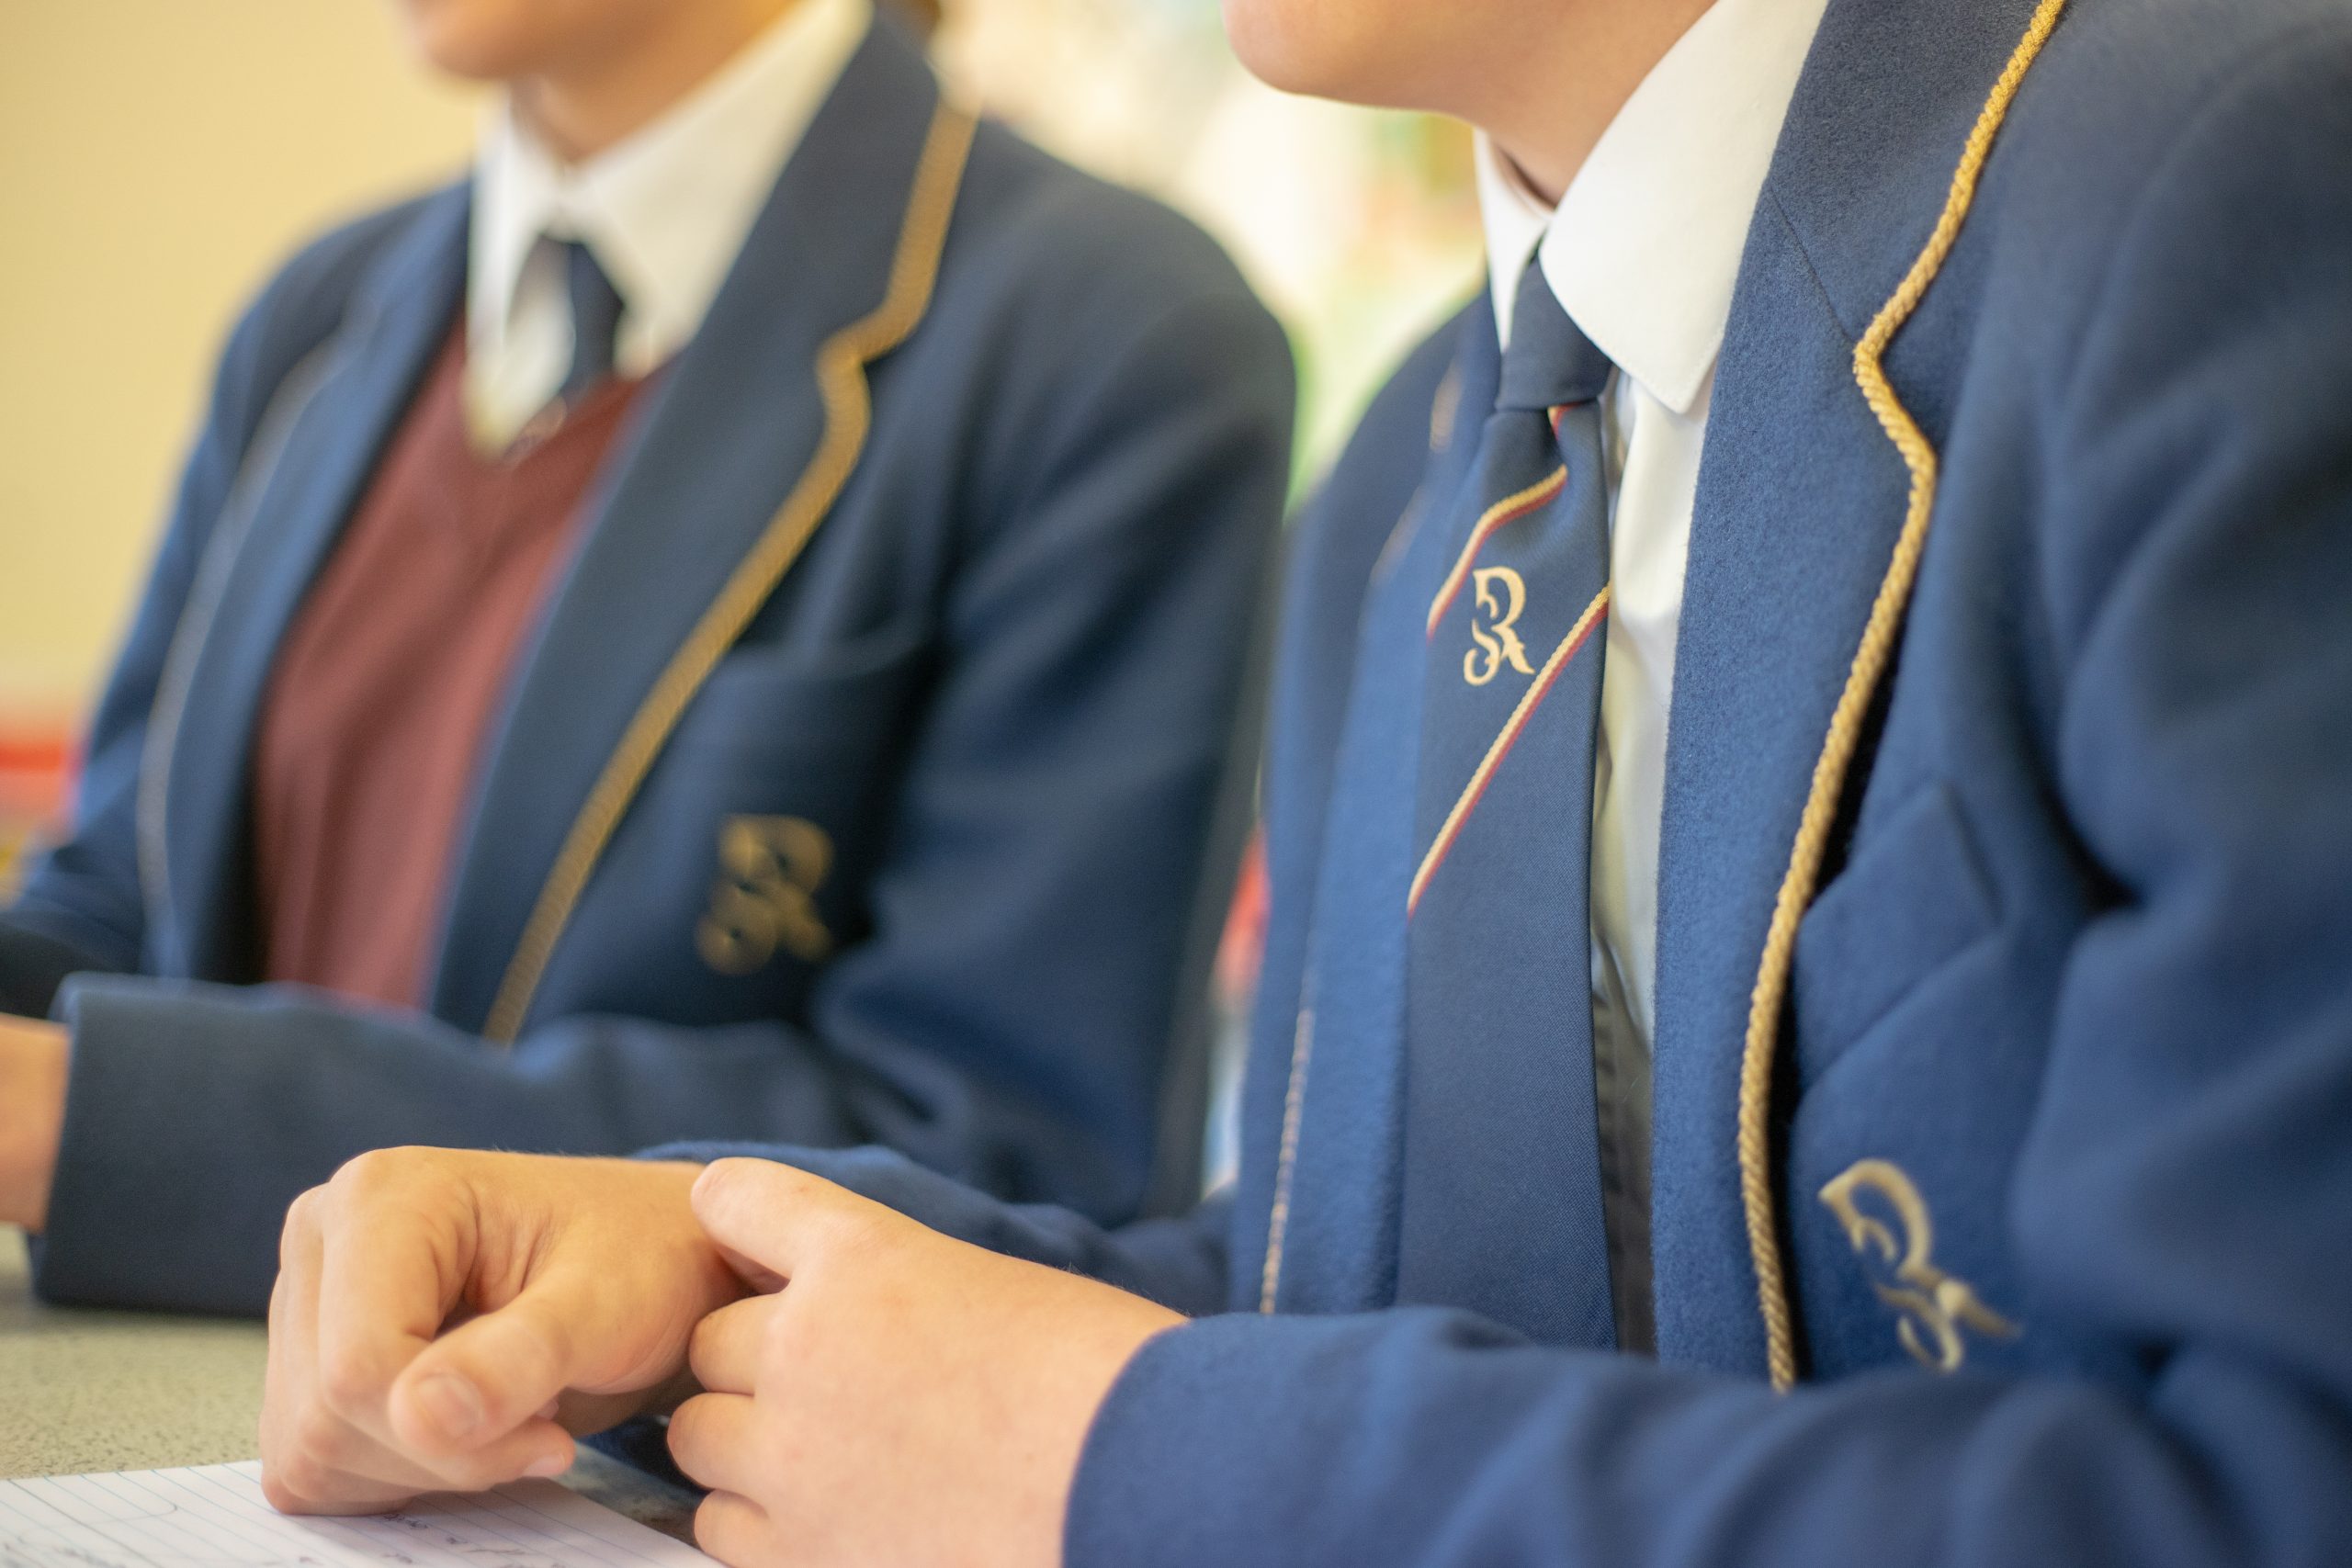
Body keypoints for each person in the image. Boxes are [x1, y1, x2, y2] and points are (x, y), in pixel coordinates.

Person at [253, 0, 2352, 1562]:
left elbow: (2274, 1485)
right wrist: (718, 1272)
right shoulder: (1406, 487)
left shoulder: (2238, 190)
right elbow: (1375, 1302)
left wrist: (1124, 1459)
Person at [0, 0, 1295, 1314]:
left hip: (596, 1482)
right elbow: (122, 905)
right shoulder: (318, 317)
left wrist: (92, 1119)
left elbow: (992, 1147)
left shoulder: (1108, 342)